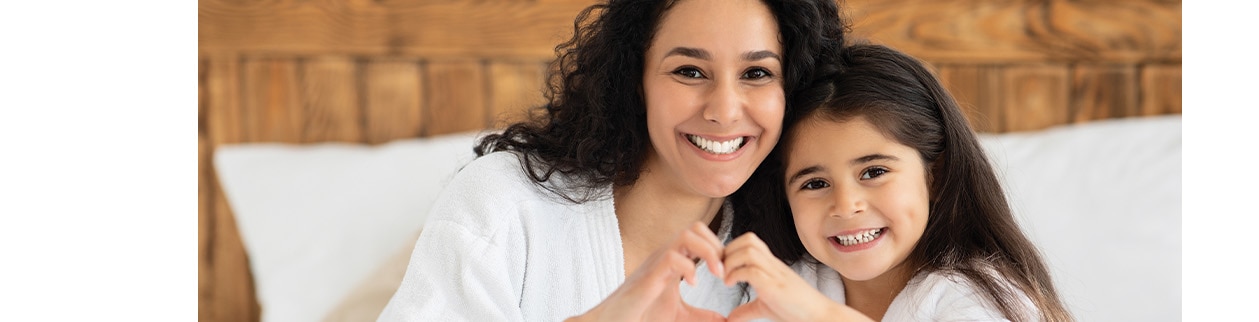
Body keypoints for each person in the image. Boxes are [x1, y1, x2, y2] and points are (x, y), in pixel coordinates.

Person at [378, 0, 845, 320]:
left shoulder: (802, 252)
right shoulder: (503, 206)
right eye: (689, 71)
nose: (723, 110)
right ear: (635, 80)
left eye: (757, 73)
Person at [721, 44, 1073, 321]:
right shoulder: (786, 285)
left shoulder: (983, 296)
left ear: (935, 176)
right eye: (815, 184)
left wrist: (821, 314)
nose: (845, 205)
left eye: (874, 172)